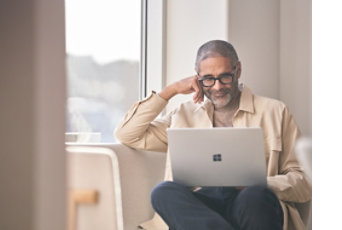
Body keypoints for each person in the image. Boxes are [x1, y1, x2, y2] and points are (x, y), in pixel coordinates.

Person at [114, 40, 311, 230]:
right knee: (162, 192)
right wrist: (171, 90)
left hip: (251, 204)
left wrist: (258, 184)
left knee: (255, 195)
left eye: (225, 76)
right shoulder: (183, 115)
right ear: (196, 77)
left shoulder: (275, 111)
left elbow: (304, 182)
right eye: (208, 79)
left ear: (238, 70)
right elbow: (127, 134)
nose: (217, 87)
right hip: (201, 209)